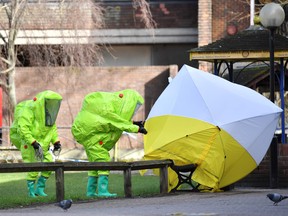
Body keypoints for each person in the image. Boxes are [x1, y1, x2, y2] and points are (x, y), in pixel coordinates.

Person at [71, 89, 147, 198]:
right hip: (94, 139)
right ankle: (102, 191)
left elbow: (118, 120)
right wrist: (137, 128)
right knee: (102, 161)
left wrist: (135, 123)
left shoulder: (107, 107)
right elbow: (116, 122)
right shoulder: (107, 110)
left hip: (91, 138)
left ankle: (91, 192)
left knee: (94, 165)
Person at [10, 90, 63, 197]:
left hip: (43, 145)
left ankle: (40, 188)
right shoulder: (29, 110)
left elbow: (52, 129)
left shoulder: (49, 114)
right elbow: (23, 128)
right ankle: (31, 192)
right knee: (33, 167)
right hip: (30, 145)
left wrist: (56, 142)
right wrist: (33, 142)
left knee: (49, 163)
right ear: (43, 102)